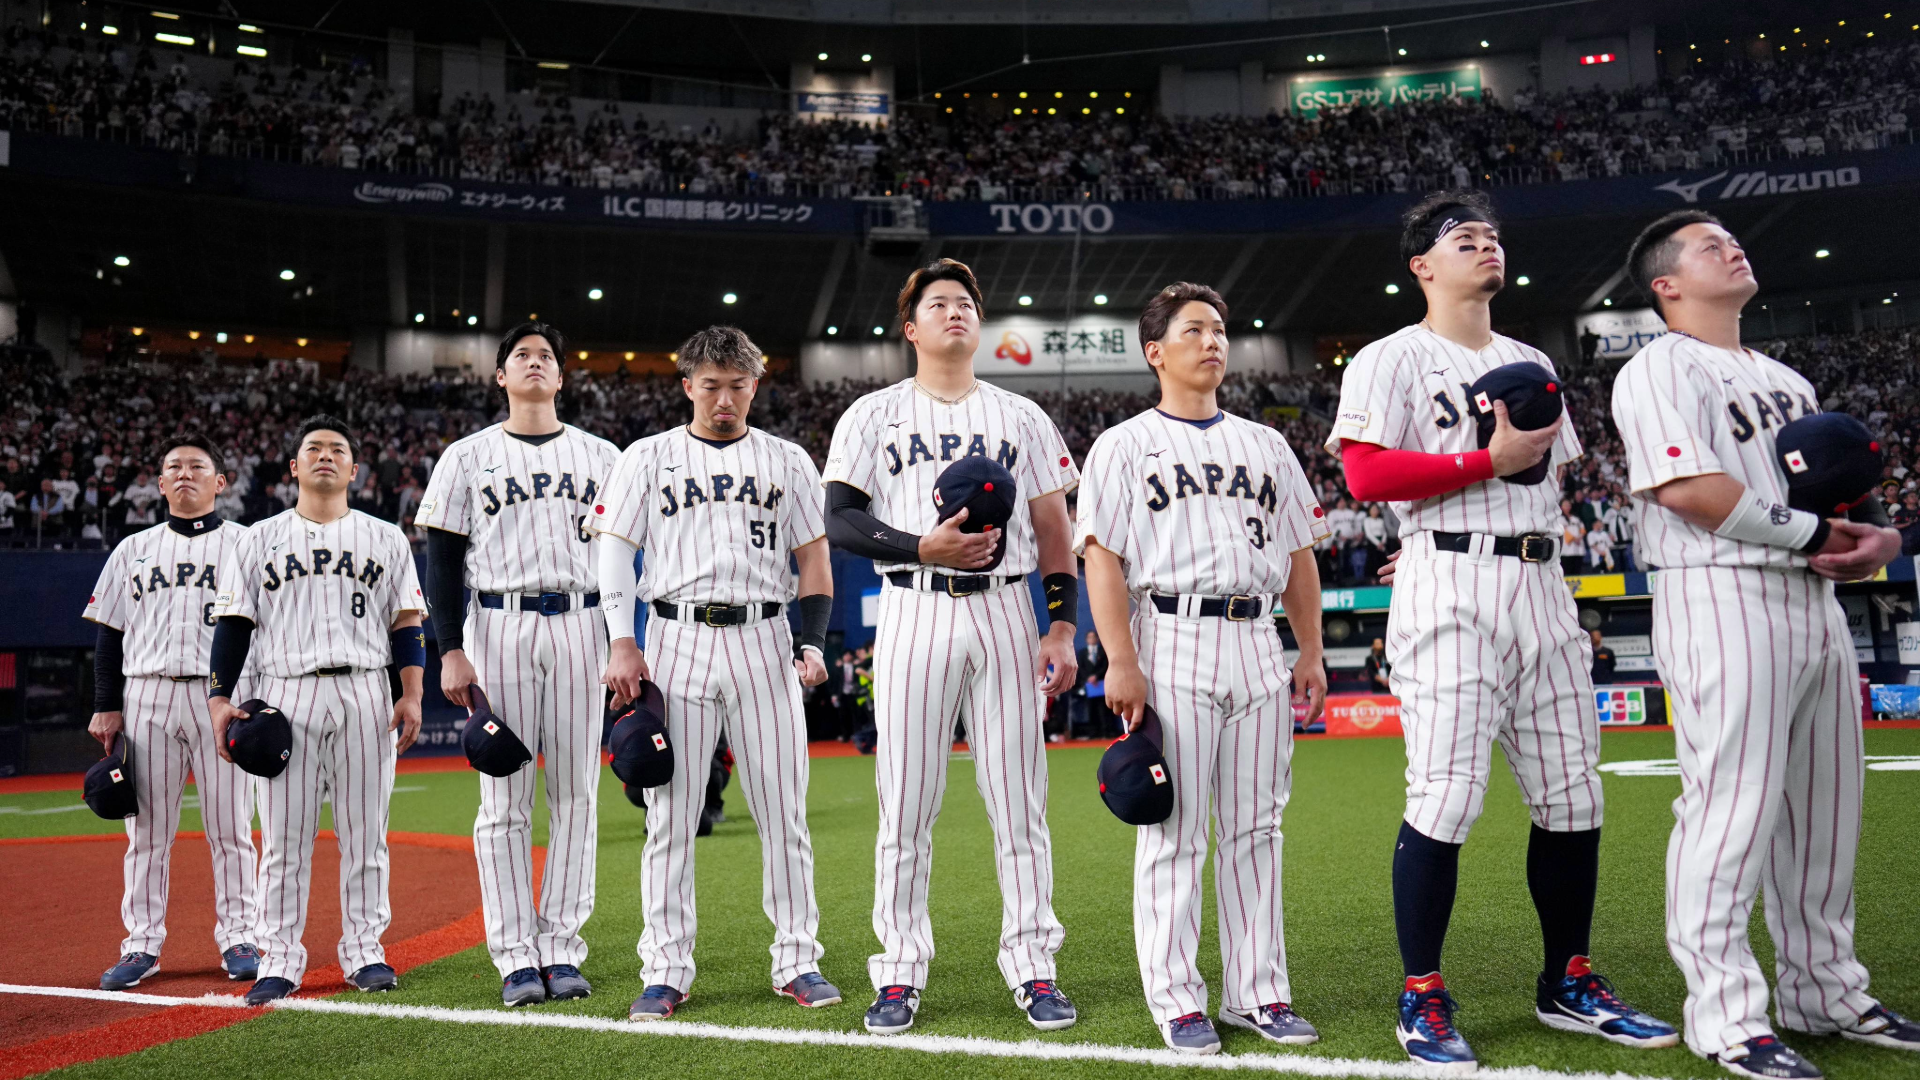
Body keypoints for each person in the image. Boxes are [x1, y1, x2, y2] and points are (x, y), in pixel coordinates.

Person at [1327, 189, 1676, 1071]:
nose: (1486, 245)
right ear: (1422, 267)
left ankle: (1568, 979)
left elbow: (1538, 480)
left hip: (1538, 576)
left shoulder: (1527, 356)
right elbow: (1366, 477)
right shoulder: (1388, 357)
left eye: (1491, 235)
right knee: (1446, 794)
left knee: (1574, 794)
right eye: (1463, 238)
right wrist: (1481, 464)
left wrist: (1498, 491)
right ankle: (1423, 995)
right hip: (1450, 577)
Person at [1612, 210, 1919, 1078]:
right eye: (1709, 246)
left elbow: (1843, 500)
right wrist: (1812, 536)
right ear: (1666, 284)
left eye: (1731, 239)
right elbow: (1686, 489)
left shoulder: (1786, 377)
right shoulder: (1657, 368)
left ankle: (1826, 990)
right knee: (1730, 807)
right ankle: (1726, 1016)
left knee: (1826, 812)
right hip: (1720, 593)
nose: (1731, 247)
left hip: (1811, 598)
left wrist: (1879, 541)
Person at [822, 258, 1080, 1035]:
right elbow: (838, 519)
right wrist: (917, 547)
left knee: (1019, 803)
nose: (956, 312)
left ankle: (1034, 964)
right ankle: (898, 972)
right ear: (911, 328)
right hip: (913, 611)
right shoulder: (871, 414)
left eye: (967, 302)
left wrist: (1062, 624)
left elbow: (1055, 532)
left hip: (1005, 613)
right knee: (905, 804)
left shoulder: (1022, 416)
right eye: (939, 303)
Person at [1078, 282, 1331, 1055]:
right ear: (1156, 352)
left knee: (1258, 828)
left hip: (1257, 639)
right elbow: (1105, 559)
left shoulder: (1266, 444)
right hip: (1173, 634)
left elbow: (1297, 556)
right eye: (1194, 330)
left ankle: (1260, 992)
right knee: (1177, 831)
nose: (1212, 341)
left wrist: (1311, 648)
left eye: (1219, 330)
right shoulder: (1123, 445)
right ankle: (1178, 997)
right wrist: (1121, 659)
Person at [594, 326, 840, 1021]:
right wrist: (621, 640)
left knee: (783, 812)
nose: (725, 397)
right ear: (687, 386)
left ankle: (798, 959)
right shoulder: (648, 457)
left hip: (766, 637)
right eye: (711, 384)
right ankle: (666, 969)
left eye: (738, 384)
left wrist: (813, 641)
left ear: (755, 386)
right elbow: (616, 554)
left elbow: (814, 562)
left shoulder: (787, 459)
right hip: (675, 637)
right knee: (670, 816)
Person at [418, 323, 619, 1008]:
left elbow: (624, 560)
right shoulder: (466, 458)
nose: (535, 364)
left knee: (575, 795)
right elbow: (441, 562)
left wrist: (624, 638)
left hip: (583, 623)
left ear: (561, 378)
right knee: (502, 800)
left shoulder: (604, 456)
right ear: (500, 377)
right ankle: (513, 954)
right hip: (497, 625)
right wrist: (449, 649)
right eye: (521, 357)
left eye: (546, 357)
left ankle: (562, 947)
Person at [207, 415, 426, 1005]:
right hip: (285, 694)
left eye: (337, 450)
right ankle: (278, 958)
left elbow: (406, 622)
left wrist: (411, 692)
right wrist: (219, 696)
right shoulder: (256, 539)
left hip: (364, 691)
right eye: (313, 449)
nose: (325, 456)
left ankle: (365, 952)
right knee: (282, 838)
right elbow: (232, 626)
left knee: (365, 835)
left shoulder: (387, 538)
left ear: (355, 470)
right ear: (294, 468)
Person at [85, 436, 262, 992]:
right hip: (148, 696)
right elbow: (109, 636)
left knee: (231, 828)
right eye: (173, 468)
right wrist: (105, 705)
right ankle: (140, 945)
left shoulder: (248, 545)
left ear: (220, 482)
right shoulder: (132, 550)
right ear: (160, 485)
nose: (184, 474)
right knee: (147, 834)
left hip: (224, 699)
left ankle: (240, 937)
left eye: (197, 467)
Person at [1077, 630, 1110, 738]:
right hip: (1088, 686)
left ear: (1097, 639)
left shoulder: (1103, 651)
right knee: (1091, 710)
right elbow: (1080, 668)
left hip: (1101, 684)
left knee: (1103, 709)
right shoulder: (1082, 653)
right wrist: (1088, 678)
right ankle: (1093, 733)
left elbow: (1106, 666)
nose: (1091, 639)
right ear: (1086, 640)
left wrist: (1096, 676)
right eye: (1089, 637)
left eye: (1093, 637)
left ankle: (1105, 732)